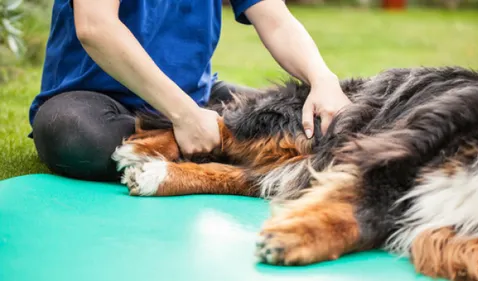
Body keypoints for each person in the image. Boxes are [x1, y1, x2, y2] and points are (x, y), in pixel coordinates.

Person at [29, 0, 352, 182]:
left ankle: (197, 145)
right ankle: (221, 148)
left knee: (302, 124)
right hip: (97, 103)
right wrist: (182, 115)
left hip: (199, 100)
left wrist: (322, 78)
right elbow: (96, 27)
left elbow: (276, 20)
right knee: (76, 137)